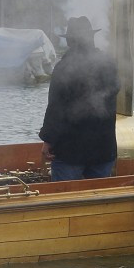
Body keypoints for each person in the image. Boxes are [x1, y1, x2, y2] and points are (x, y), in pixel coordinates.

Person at [38, 16, 121, 181]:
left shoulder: (64, 68)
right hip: (103, 148)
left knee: (64, 199)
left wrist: (48, 140)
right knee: (98, 200)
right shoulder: (109, 65)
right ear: (91, 38)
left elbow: (55, 108)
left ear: (69, 41)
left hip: (71, 150)